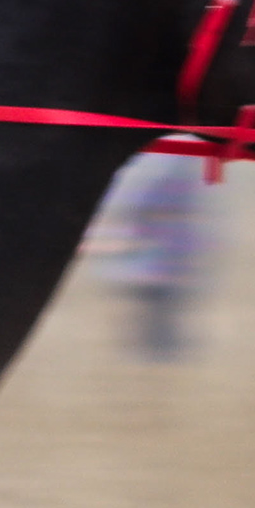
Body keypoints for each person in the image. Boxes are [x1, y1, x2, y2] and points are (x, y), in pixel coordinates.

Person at [85, 152, 217, 361]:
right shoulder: (172, 172)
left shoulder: (165, 171)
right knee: (160, 307)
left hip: (162, 258)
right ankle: (157, 346)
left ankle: (157, 346)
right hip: (162, 258)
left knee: (161, 307)